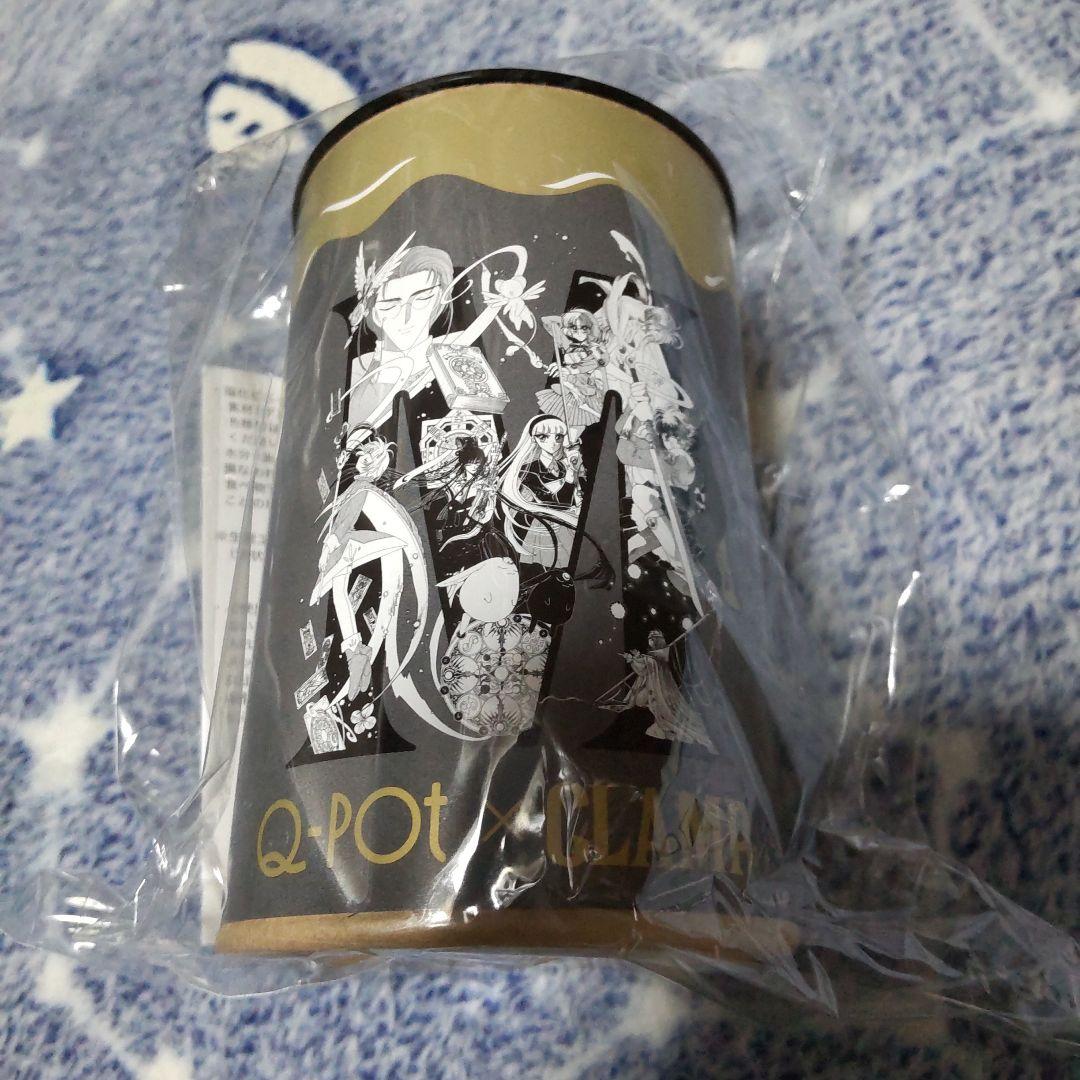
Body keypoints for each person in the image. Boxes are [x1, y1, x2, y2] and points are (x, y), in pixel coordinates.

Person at [497, 415, 582, 571]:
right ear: (534, 439)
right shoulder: (528, 470)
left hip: (569, 525)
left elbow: (574, 499)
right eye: (544, 437)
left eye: (558, 437)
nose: (553, 442)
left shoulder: (565, 466)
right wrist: (568, 480)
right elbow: (553, 501)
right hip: (545, 528)